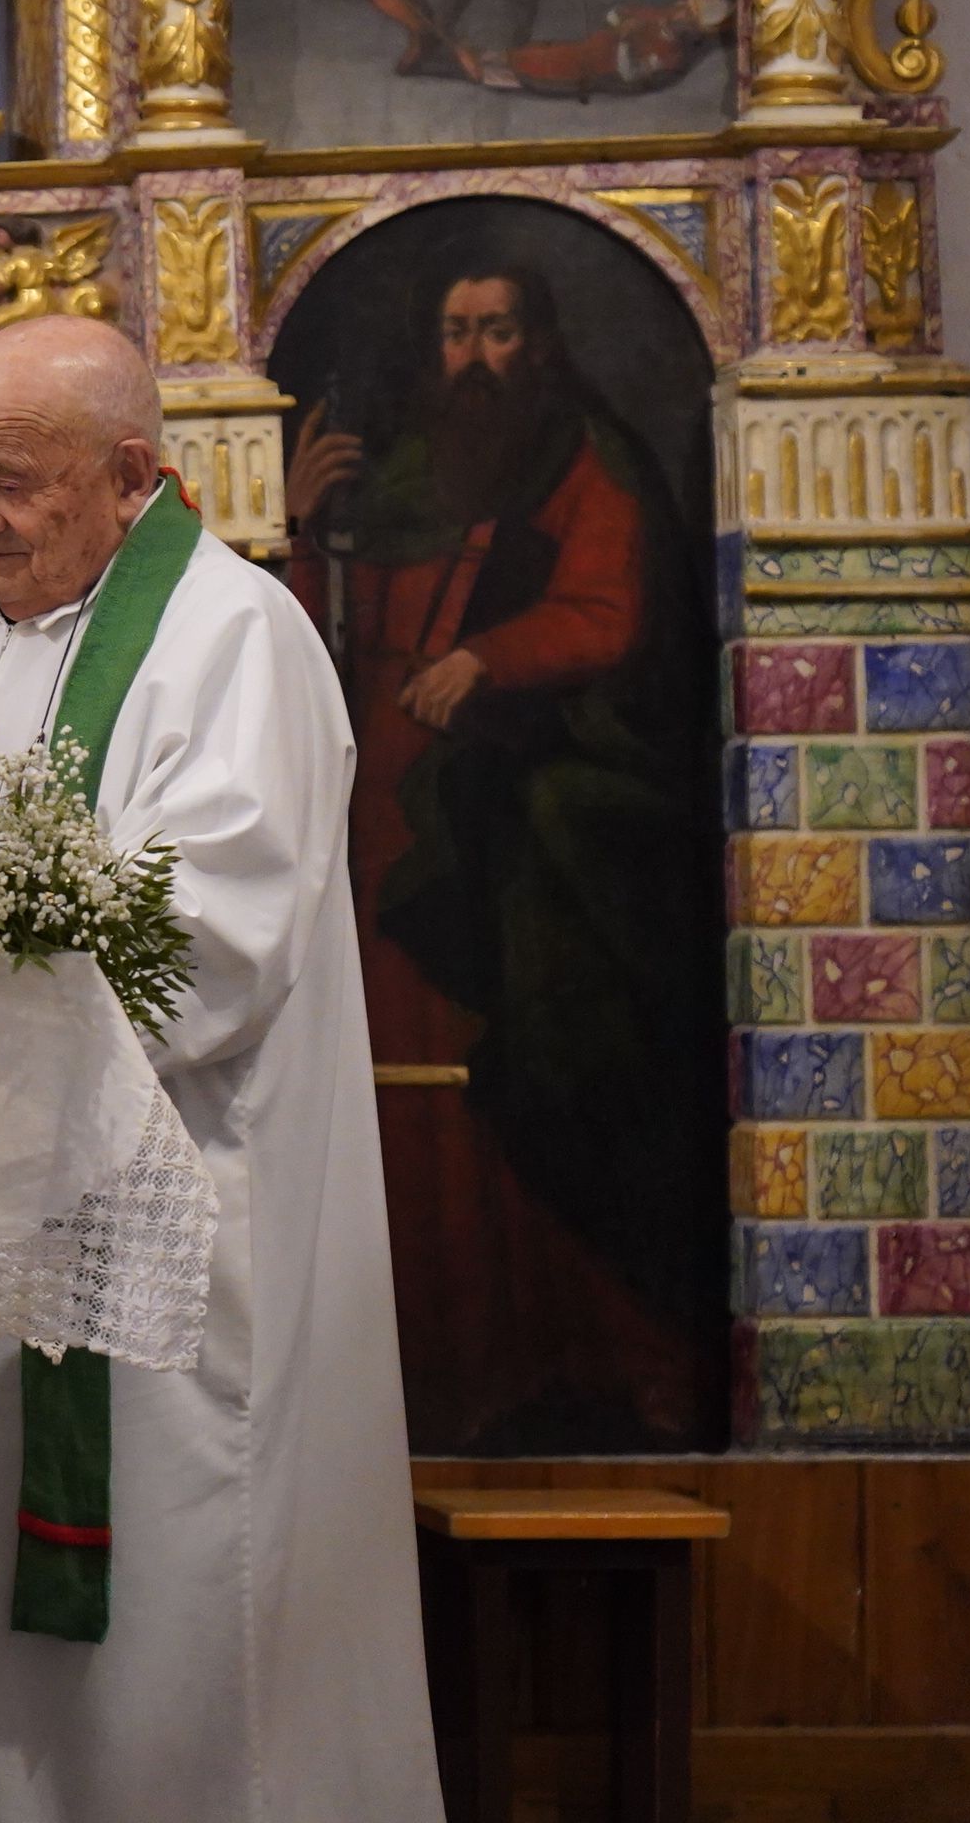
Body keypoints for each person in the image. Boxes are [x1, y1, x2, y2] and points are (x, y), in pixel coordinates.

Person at [0, 315, 434, 1823]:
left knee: (163, 1685)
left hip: (156, 1244)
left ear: (131, 474)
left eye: (14, 482)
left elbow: (212, 942)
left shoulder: (232, 639)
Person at [287, 262, 717, 1449]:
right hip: (374, 797)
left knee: (510, 1059)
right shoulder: (411, 463)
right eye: (457, 331)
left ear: (541, 341)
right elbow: (325, 619)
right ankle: (430, 1369)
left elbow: (610, 612)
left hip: (501, 810)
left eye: (498, 331)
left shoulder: (584, 454)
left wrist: (490, 658)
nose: (476, 357)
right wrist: (298, 522)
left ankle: (576, 1353)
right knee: (396, 1077)